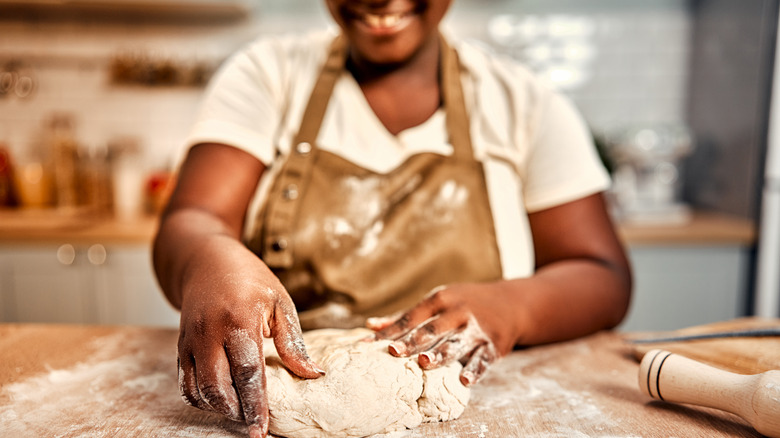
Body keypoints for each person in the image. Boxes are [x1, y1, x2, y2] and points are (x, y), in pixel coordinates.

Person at [152, 0, 632, 437]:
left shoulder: (520, 102)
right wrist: (209, 257)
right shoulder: (269, 76)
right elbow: (193, 217)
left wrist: (516, 306)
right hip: (290, 380)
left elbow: (602, 276)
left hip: (486, 402)